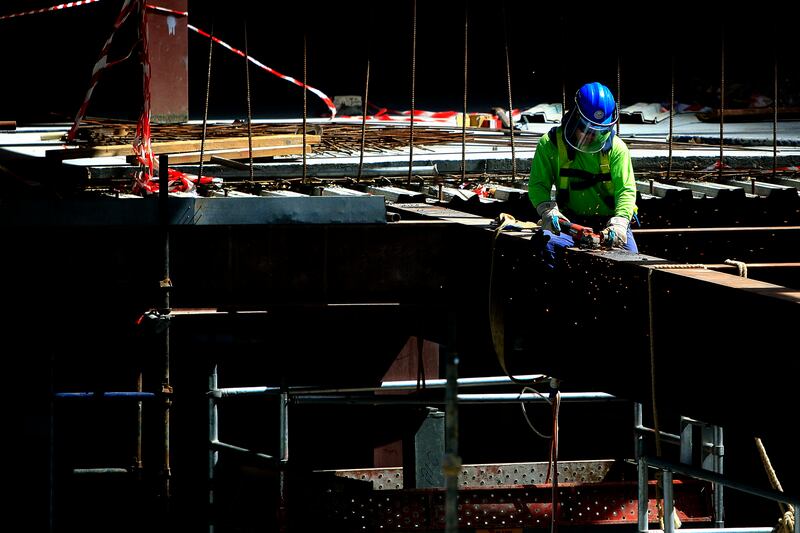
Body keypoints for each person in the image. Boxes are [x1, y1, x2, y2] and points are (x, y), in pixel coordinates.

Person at [528, 81, 638, 267]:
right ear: (575, 118)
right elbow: (538, 185)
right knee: (544, 244)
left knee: (630, 260)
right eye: (586, 129)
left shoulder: (617, 149)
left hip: (610, 224)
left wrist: (619, 223)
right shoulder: (550, 144)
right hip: (569, 222)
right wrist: (547, 211)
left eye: (599, 132)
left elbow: (626, 191)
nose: (591, 137)